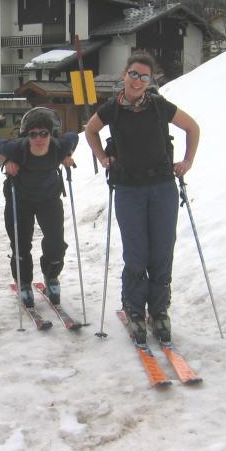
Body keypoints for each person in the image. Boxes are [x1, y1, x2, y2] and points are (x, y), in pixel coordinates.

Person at [84, 52, 200, 345]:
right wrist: (102, 157)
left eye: (144, 77)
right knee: (137, 252)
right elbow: (91, 130)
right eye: (133, 74)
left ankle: (159, 311)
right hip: (128, 189)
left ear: (150, 82)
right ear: (125, 75)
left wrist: (187, 161)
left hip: (162, 187)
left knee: (162, 250)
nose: (137, 81)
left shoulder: (159, 106)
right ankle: (135, 310)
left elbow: (192, 127)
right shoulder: (112, 109)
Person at [0, 107, 78, 307]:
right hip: (20, 200)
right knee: (21, 245)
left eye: (44, 133)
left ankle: (51, 276)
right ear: (27, 136)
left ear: (50, 134)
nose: (39, 138)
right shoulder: (17, 148)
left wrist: (68, 154)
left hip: (49, 199)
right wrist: (7, 158)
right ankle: (24, 283)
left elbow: (73, 136)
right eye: (33, 134)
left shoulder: (58, 146)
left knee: (56, 244)